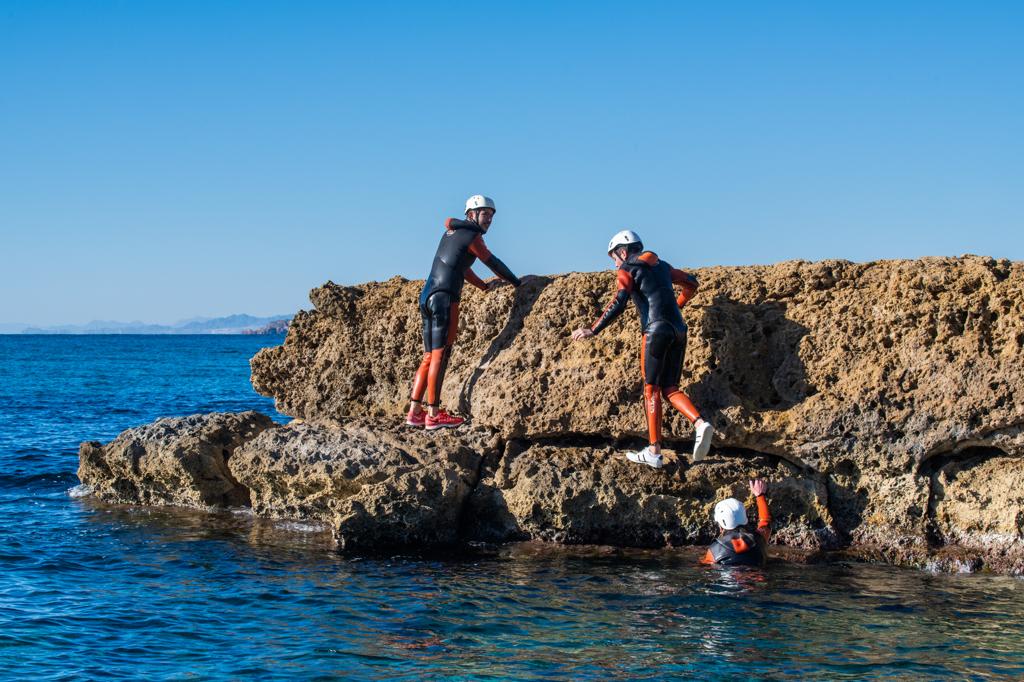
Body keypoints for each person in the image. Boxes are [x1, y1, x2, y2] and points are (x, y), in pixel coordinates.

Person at [571, 230, 712, 469]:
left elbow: (619, 301)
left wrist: (593, 329)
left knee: (651, 389)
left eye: (613, 257)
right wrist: (676, 307)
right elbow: (692, 283)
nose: (614, 263)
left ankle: (654, 451)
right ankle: (699, 424)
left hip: (655, 331)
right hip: (679, 329)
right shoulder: (663, 266)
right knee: (670, 387)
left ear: (623, 251)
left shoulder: (627, 268)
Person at [406, 195, 522, 430]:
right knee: (440, 355)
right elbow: (493, 263)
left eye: (492, 214)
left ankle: (414, 412)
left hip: (427, 296)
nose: (489, 218)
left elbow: (460, 267)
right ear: (471, 214)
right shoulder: (472, 235)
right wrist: (517, 283)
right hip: (445, 298)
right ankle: (434, 415)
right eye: (484, 213)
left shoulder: (451, 234)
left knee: (429, 355)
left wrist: (483, 286)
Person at [700, 479, 772, 567]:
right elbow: (765, 522)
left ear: (720, 526)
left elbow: (705, 566)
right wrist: (760, 495)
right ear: (745, 518)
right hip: (757, 578)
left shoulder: (714, 550)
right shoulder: (759, 538)